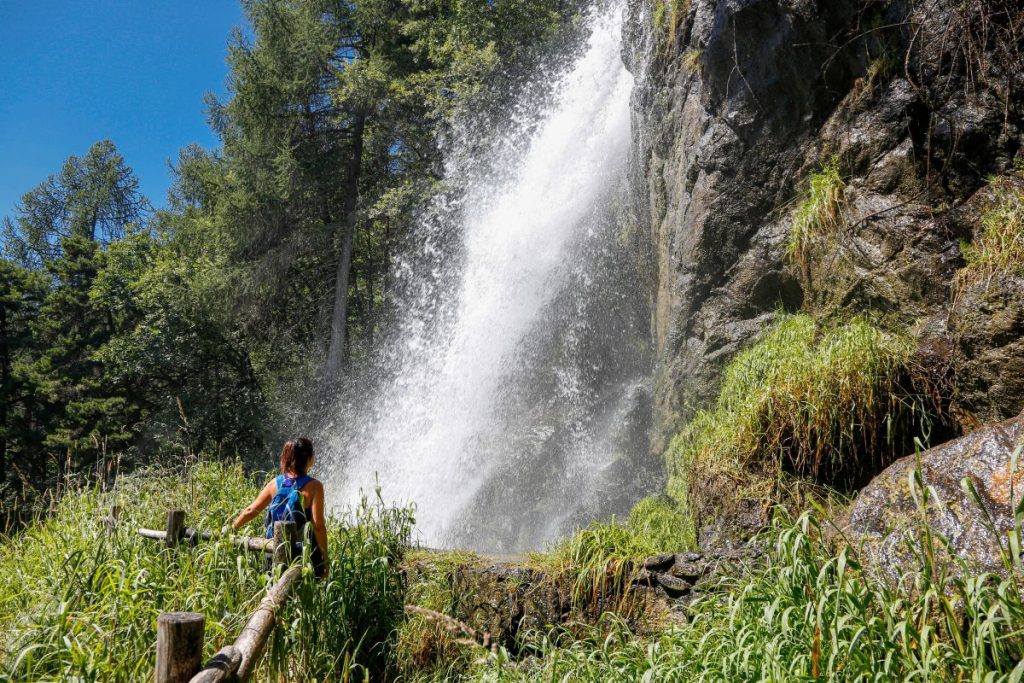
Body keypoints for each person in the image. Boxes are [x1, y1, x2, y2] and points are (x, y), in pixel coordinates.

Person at [232, 437, 329, 578]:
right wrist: (325, 558)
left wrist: (232, 529)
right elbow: (318, 525)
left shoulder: (275, 483)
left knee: (273, 592)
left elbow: (251, 511)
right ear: (308, 458)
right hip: (303, 555)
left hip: (273, 550)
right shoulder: (315, 487)